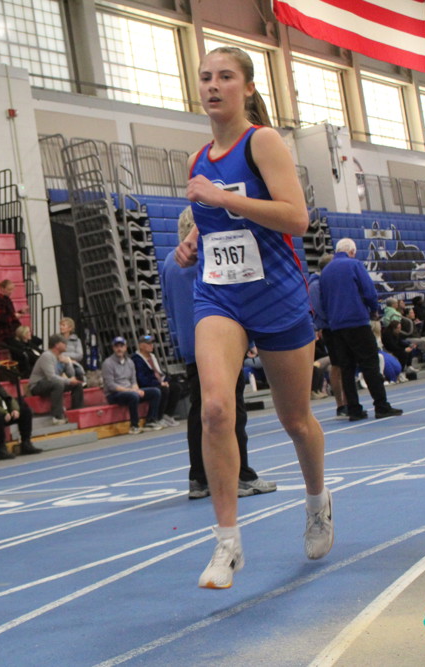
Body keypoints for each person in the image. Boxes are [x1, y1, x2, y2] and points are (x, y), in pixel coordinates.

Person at [174, 47, 331, 589]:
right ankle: (227, 543)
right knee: (216, 408)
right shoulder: (197, 159)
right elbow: (215, 220)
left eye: (225, 77)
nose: (213, 85)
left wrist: (221, 197)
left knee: (296, 421)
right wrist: (194, 240)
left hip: (277, 294)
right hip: (219, 296)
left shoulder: (262, 142)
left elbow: (296, 218)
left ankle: (317, 502)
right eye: (205, 77)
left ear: (246, 87)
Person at [160, 207, 276, 501]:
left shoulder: (169, 263)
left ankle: (199, 478)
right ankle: (241, 475)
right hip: (218, 342)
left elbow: (169, 305)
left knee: (200, 412)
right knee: (231, 409)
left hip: (189, 343)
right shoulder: (209, 256)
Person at [319, 238, 403, 422]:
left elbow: (323, 299)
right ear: (352, 251)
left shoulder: (325, 272)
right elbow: (368, 290)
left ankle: (354, 409)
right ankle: (381, 405)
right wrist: (374, 309)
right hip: (356, 321)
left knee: (346, 368)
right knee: (370, 363)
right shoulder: (354, 264)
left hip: (336, 325)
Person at [308, 253, 347, 418]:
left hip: (337, 326)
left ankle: (348, 401)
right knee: (337, 366)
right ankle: (341, 404)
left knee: (345, 365)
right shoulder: (316, 285)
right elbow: (319, 308)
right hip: (330, 328)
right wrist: (333, 321)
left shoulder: (327, 282)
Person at [101, 336, 163, 434]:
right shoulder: (108, 363)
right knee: (133, 396)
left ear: (125, 347)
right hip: (114, 394)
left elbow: (133, 381)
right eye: (116, 346)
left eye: (121, 346)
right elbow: (111, 385)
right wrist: (132, 391)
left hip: (130, 391)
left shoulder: (130, 362)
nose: (119, 349)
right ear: (113, 348)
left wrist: (137, 390)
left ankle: (151, 420)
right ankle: (134, 425)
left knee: (155, 392)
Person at [28, 334, 84, 425]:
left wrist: (68, 362)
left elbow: (71, 375)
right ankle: (57, 417)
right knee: (58, 384)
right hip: (37, 385)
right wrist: (69, 381)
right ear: (57, 345)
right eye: (63, 342)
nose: (66, 344)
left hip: (52, 383)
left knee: (77, 385)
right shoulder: (47, 356)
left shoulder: (61, 356)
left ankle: (76, 412)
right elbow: (51, 377)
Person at [131, 334, 179, 426]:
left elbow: (159, 372)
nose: (151, 345)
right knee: (163, 389)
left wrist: (165, 380)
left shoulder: (152, 356)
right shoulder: (136, 360)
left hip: (158, 382)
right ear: (141, 345)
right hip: (146, 385)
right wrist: (159, 383)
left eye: (152, 343)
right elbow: (141, 379)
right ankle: (157, 417)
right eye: (148, 343)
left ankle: (167, 414)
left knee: (176, 387)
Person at [58, 317, 86, 381]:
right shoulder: (57, 339)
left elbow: (80, 355)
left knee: (78, 371)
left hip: (73, 364)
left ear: (70, 328)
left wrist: (67, 357)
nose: (61, 327)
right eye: (60, 325)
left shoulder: (76, 340)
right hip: (60, 364)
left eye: (63, 325)